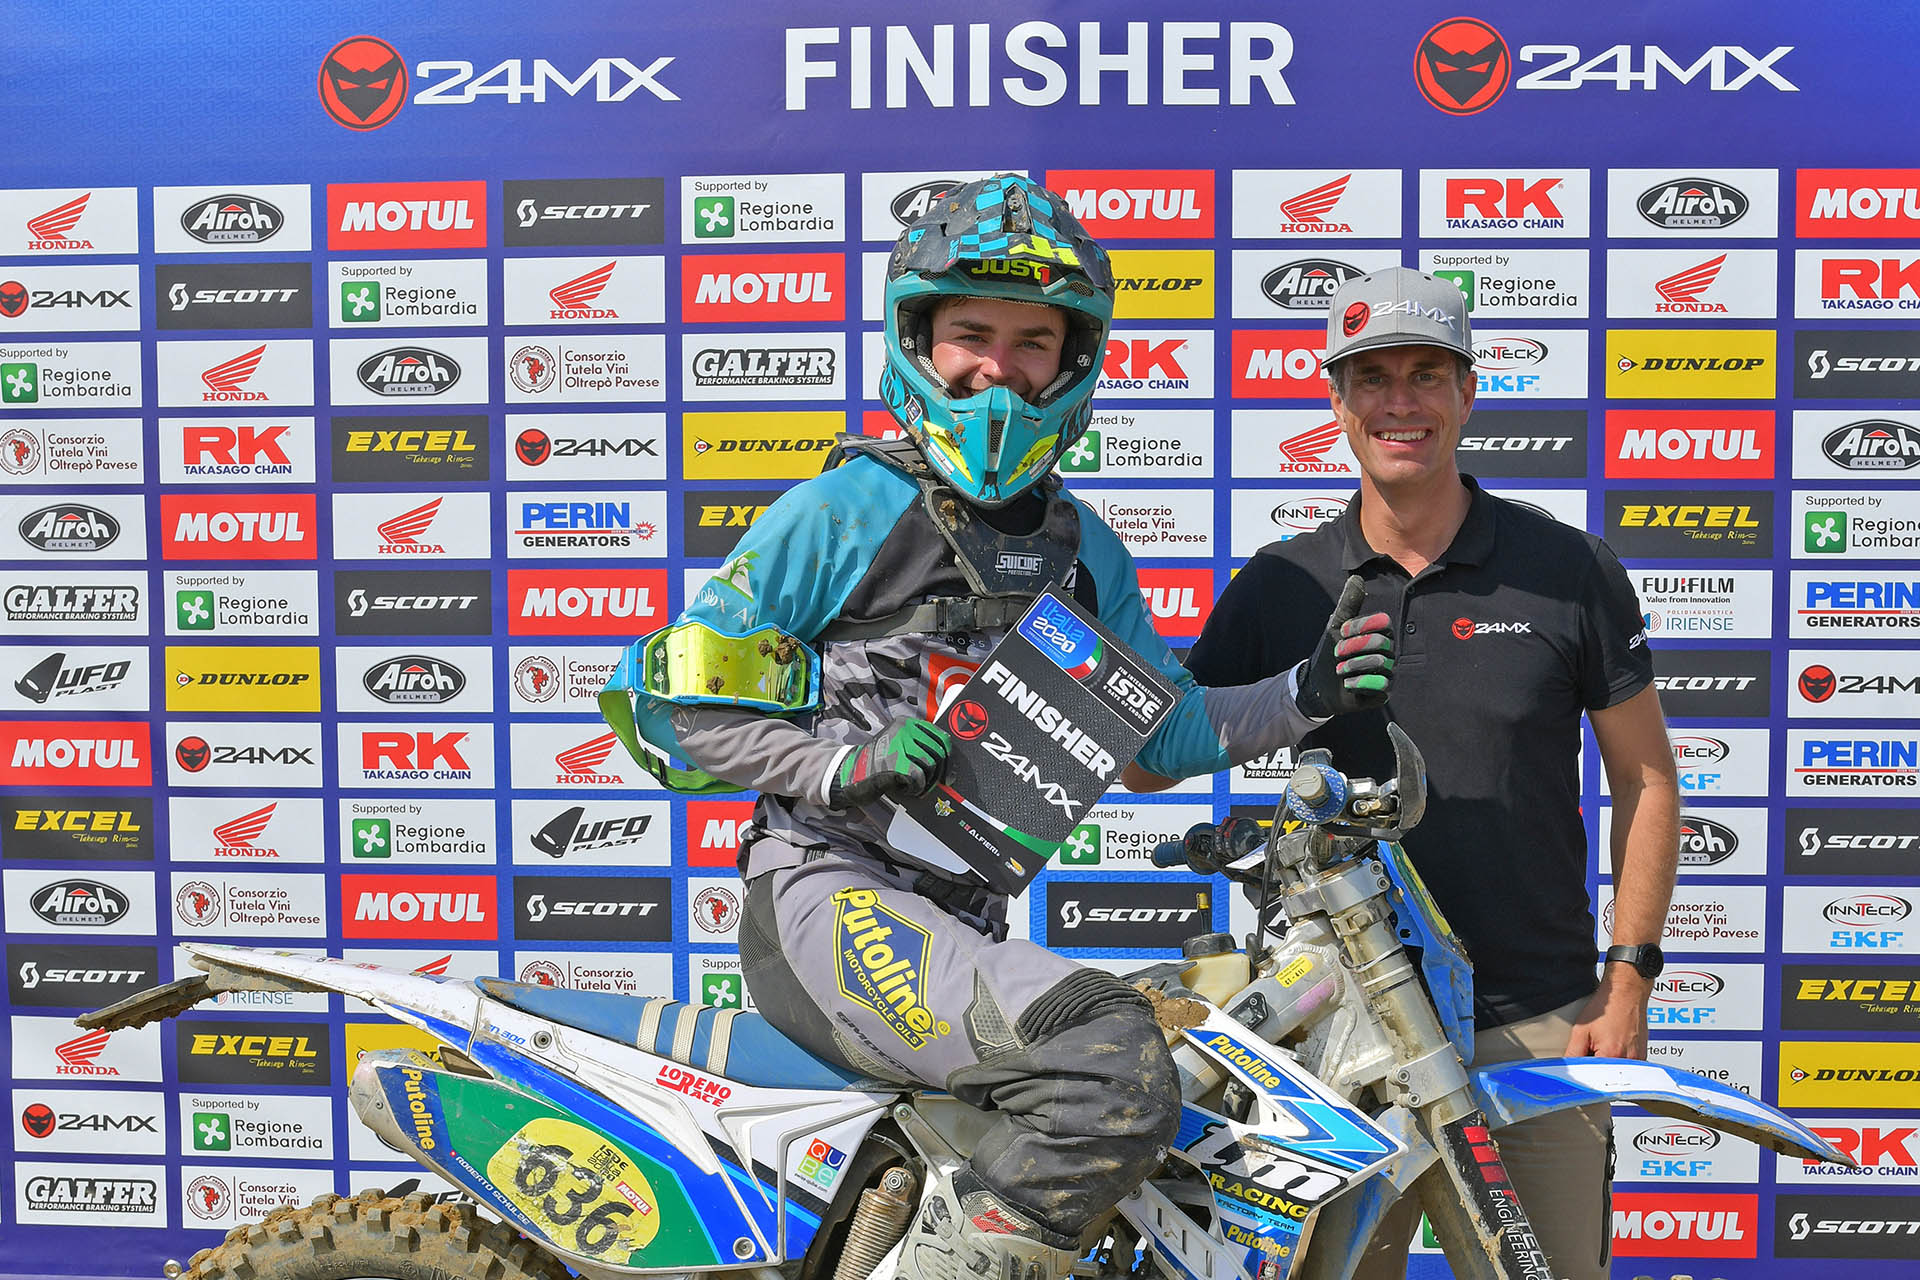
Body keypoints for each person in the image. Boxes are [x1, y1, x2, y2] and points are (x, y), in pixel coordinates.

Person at [600, 176, 1395, 1280]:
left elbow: (1162, 736)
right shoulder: (842, 510)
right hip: (829, 892)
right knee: (1108, 1062)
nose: (998, 369)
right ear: (918, 340)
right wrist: (839, 763)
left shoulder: (1082, 549)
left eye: (1032, 342)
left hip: (959, 919)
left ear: (1075, 360)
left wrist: (1305, 693)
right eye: (972, 334)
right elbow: (671, 708)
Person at [1171, 268, 1681, 1280]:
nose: (1398, 402)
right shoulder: (1283, 581)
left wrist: (1627, 976)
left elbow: (1648, 778)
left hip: (1535, 1023)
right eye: (1372, 378)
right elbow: (1160, 755)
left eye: (1426, 375)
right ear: (1337, 401)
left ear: (1468, 393)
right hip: (1336, 1033)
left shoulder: (1566, 569)